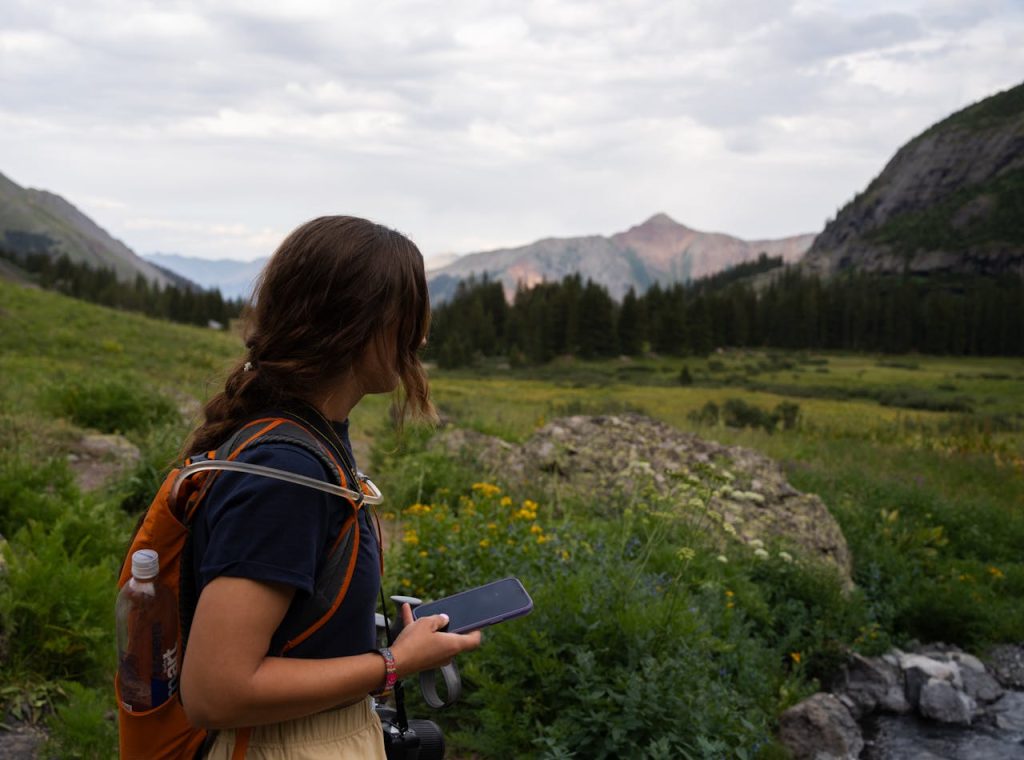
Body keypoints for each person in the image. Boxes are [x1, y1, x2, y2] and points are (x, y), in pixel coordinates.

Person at [178, 216, 481, 759]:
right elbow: (215, 691)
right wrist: (395, 664)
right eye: (410, 317)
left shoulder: (305, 440)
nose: (422, 337)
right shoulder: (288, 473)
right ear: (357, 324)